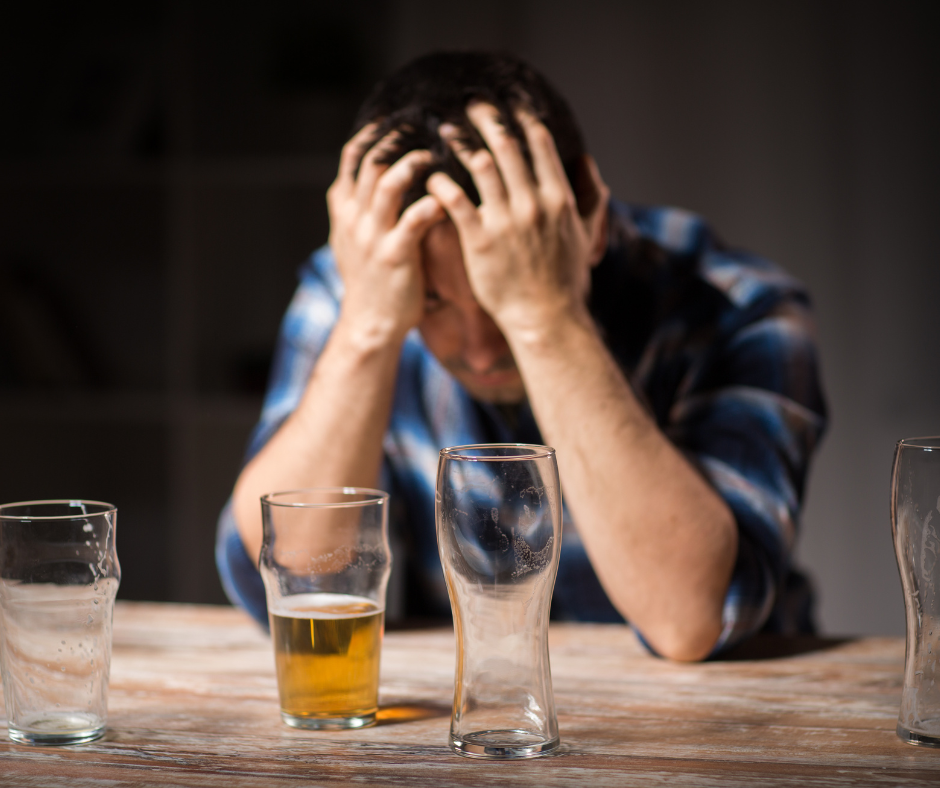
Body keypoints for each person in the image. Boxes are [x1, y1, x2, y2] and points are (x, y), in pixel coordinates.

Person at [215, 51, 826, 662]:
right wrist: (370, 326)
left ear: (590, 215)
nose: (480, 350)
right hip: (475, 718)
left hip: (720, 723)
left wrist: (547, 317)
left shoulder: (744, 307)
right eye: (432, 304)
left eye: (498, 296)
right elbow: (287, 580)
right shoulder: (362, 284)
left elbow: (692, 619)